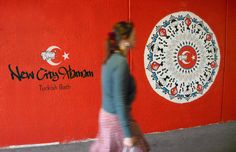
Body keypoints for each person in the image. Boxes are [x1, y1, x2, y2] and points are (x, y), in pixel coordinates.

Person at [89, 21, 150, 152]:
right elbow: (119, 100)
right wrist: (127, 134)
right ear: (125, 40)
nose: (136, 38)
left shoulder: (110, 58)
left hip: (107, 116)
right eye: (133, 35)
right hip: (115, 120)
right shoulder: (120, 62)